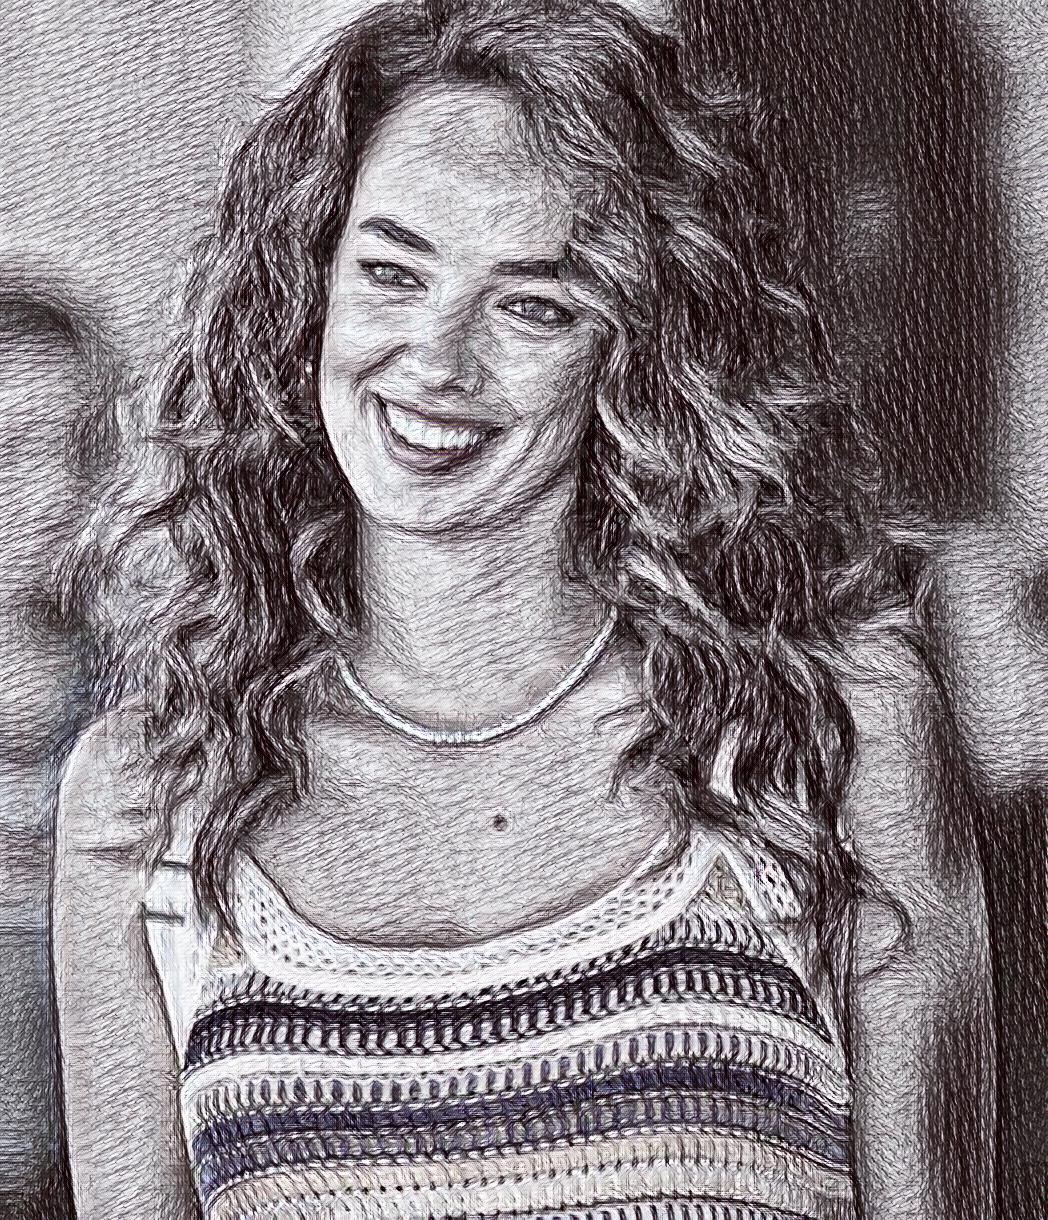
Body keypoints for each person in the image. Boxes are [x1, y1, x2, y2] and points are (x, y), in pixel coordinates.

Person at [51, 0, 992, 1216]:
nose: (438, 360)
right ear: (305, 292)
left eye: (533, 304)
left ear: (635, 347)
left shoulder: (831, 733)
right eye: (392, 272)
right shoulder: (150, 794)